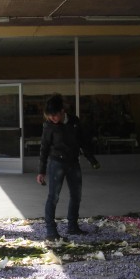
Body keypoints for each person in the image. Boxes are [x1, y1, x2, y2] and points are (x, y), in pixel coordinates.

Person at [36, 94, 100, 241]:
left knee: (76, 195)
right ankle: (51, 231)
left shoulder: (74, 121)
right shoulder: (49, 125)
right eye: (49, 116)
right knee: (53, 196)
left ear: (62, 111)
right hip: (56, 163)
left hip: (73, 163)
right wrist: (41, 171)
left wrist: (92, 159)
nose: (52, 118)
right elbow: (44, 148)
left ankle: (73, 226)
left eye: (54, 115)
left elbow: (82, 142)